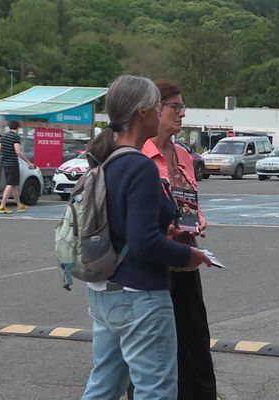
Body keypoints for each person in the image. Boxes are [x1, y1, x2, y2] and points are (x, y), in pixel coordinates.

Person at [80, 75, 211, 400]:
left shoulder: (109, 160)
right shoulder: (140, 167)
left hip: (104, 292)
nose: (164, 113)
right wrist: (189, 256)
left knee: (103, 387)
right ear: (142, 112)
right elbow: (143, 243)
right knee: (157, 390)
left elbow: (122, 226)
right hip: (140, 295)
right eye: (158, 106)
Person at [137, 80, 217, 400]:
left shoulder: (184, 154)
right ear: (156, 109)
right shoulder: (139, 153)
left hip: (185, 256)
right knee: (155, 348)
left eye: (183, 107)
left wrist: (197, 220)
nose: (182, 113)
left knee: (195, 342)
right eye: (176, 107)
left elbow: (189, 201)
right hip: (155, 262)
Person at [0, 120, 35, 214]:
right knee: (10, 184)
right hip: (13, 163)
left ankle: (19, 205)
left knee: (13, 185)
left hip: (5, 163)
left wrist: (6, 154)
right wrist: (28, 163)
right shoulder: (15, 137)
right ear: (18, 128)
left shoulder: (4, 136)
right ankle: (2, 206)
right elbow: (18, 151)